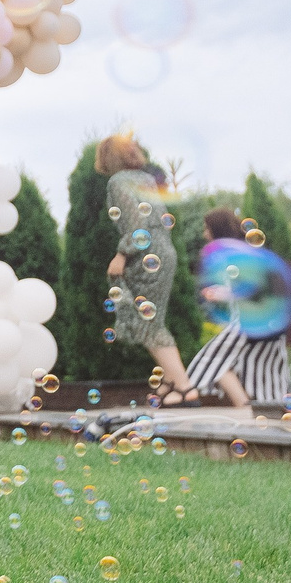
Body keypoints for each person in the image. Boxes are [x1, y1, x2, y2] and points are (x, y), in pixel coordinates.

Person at [96, 132, 200, 405]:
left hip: (144, 253)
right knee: (153, 319)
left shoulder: (117, 182)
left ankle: (185, 387)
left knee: (148, 323)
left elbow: (135, 222)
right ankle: (169, 382)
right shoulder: (145, 179)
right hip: (164, 251)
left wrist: (121, 255)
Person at [186, 208, 291, 410]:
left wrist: (223, 293)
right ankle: (268, 413)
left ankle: (247, 411)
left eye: (206, 228)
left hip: (248, 324)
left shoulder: (233, 254)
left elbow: (252, 288)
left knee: (212, 362)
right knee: (268, 373)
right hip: (269, 323)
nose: (204, 234)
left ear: (216, 229)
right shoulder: (245, 251)